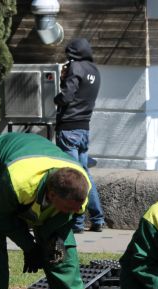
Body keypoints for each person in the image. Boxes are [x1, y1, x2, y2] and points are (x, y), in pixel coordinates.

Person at [0, 132, 102, 289]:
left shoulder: (79, 190)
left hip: (32, 163)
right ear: (51, 194)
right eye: (69, 208)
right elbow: (0, 217)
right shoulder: (18, 183)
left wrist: (48, 244)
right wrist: (29, 246)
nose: (77, 214)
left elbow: (59, 226)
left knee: (59, 244)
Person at [55, 38, 105, 234]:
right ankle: (97, 218)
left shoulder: (75, 67)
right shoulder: (94, 70)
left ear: (73, 54)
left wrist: (56, 96)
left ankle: (77, 222)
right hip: (84, 129)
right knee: (85, 174)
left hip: (69, 129)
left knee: (73, 178)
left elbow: (67, 96)